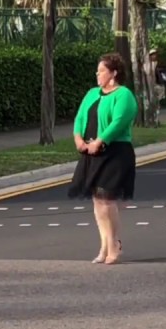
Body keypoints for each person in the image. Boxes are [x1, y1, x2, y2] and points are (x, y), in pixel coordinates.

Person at [68, 52, 138, 264]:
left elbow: (119, 121)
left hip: (115, 152)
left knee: (107, 199)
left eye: (101, 71)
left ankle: (114, 245)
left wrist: (100, 141)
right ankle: (104, 246)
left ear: (113, 73)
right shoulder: (92, 93)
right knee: (97, 200)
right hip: (91, 153)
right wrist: (78, 138)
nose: (97, 74)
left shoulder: (124, 95)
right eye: (97, 71)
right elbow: (80, 117)